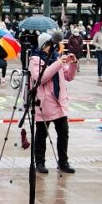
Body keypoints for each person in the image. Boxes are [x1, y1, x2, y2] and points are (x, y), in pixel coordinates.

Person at [30, 31, 77, 174]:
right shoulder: (35, 59)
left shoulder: (57, 58)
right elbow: (41, 78)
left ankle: (63, 162)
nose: (51, 47)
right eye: (49, 45)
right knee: (41, 134)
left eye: (52, 45)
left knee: (63, 133)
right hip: (44, 102)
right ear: (42, 45)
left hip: (59, 102)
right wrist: (58, 63)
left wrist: (73, 63)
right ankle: (40, 162)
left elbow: (68, 76)